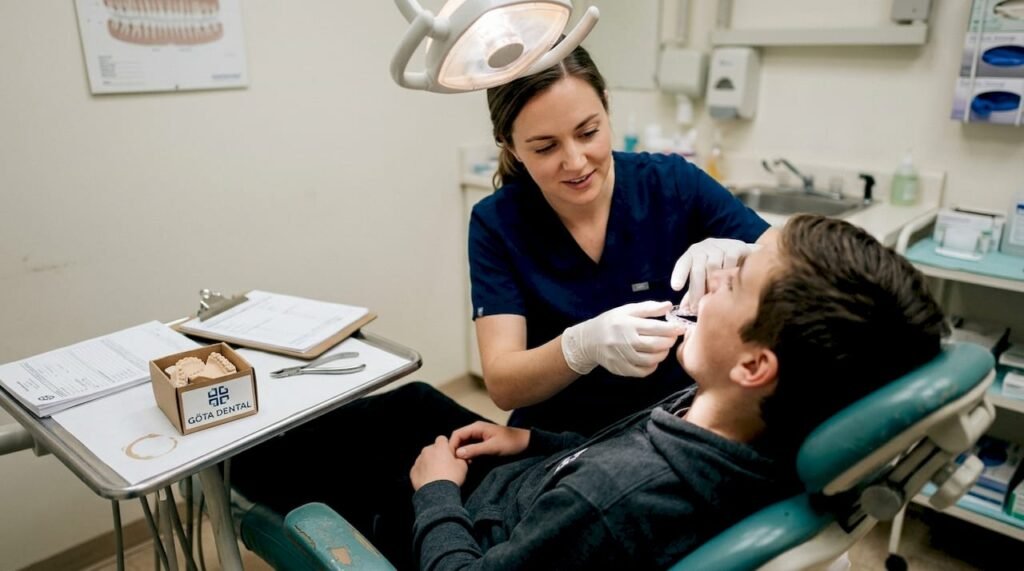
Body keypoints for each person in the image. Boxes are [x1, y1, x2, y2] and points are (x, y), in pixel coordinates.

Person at [232, 214, 948, 570]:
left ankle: (227, 474)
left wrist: (435, 494)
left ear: (757, 366)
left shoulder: (611, 501)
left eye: (742, 274)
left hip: (467, 526)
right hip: (531, 477)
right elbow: (604, 460)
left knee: (271, 463)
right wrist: (533, 439)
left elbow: (590, 497)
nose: (719, 271)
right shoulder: (730, 426)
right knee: (413, 400)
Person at [469, 43, 774, 435]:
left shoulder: (671, 185)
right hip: (557, 440)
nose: (576, 161)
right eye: (545, 147)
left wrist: (748, 254)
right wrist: (579, 347)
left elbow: (798, 261)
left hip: (668, 428)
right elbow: (503, 383)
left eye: (588, 132)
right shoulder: (497, 223)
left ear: (607, 108)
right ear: (510, 145)